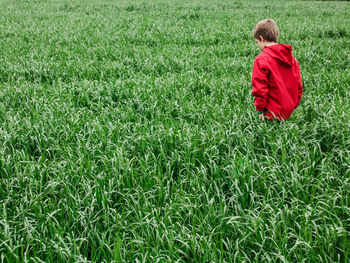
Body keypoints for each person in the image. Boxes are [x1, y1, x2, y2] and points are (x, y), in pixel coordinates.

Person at [251, 19, 303, 121]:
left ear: (262, 38)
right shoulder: (292, 60)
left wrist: (260, 111)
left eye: (257, 42)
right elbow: (299, 87)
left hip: (270, 113)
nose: (258, 45)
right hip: (288, 111)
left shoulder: (261, 60)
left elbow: (260, 89)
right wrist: (293, 105)